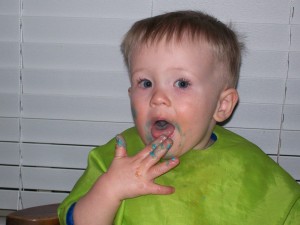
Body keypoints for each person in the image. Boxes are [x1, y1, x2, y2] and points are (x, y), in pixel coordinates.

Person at [58, 10, 300, 225]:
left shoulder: (249, 166)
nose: (158, 98)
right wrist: (109, 190)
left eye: (181, 83)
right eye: (145, 83)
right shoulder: (116, 158)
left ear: (222, 104)